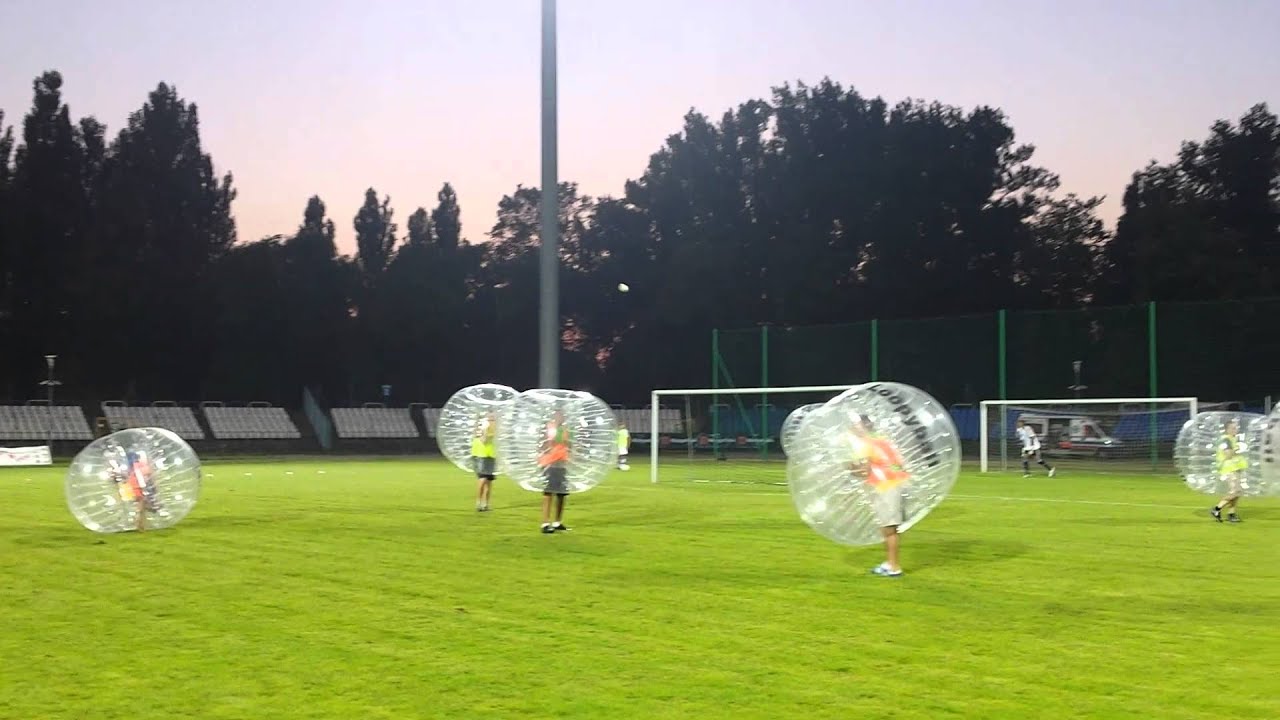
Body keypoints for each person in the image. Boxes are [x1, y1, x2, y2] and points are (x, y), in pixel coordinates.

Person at [847, 416, 908, 577]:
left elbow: (863, 472)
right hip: (895, 485)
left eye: (855, 425)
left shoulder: (867, 445)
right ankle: (889, 563)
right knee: (889, 528)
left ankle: (894, 567)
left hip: (886, 487)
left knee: (889, 529)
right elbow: (898, 464)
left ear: (863, 427)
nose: (852, 428)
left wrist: (849, 468)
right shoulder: (882, 440)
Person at [538, 409, 571, 533]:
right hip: (550, 463)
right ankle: (545, 523)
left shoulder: (564, 429)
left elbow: (568, 444)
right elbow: (549, 443)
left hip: (562, 463)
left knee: (561, 494)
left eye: (562, 416)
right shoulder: (550, 428)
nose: (560, 418)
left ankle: (557, 522)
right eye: (558, 416)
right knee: (548, 493)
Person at [1211, 418, 1246, 523]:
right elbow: (1228, 455)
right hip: (1229, 469)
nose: (1235, 430)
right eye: (1233, 428)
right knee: (1234, 492)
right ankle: (1217, 509)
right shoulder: (1226, 440)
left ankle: (1231, 514)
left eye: (1236, 428)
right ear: (1227, 429)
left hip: (1235, 468)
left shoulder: (1232, 439)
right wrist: (1238, 450)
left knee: (1237, 492)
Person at [472, 412, 499, 511]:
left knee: (489, 480)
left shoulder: (482, 426)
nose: (494, 421)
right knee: (483, 478)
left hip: (490, 454)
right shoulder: (485, 426)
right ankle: (479, 503)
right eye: (492, 419)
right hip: (483, 454)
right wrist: (490, 434)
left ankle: (485, 504)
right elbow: (483, 440)